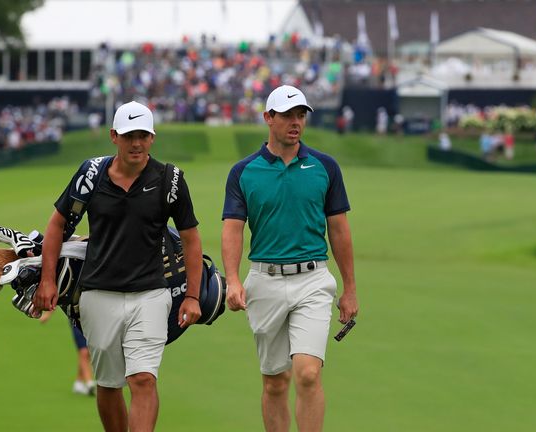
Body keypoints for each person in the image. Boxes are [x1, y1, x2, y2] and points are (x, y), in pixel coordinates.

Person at [33, 101, 203, 432]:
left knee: (142, 379)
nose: (136, 143)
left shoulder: (170, 180)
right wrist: (47, 280)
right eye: (129, 136)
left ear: (152, 138)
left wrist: (192, 296)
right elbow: (57, 226)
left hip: (151, 294)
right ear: (114, 136)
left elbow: (191, 239)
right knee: (109, 385)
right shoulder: (90, 175)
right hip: (98, 295)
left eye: (143, 135)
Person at [222, 85, 359, 432]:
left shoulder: (324, 167)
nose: (295, 122)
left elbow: (339, 230)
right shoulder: (244, 172)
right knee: (275, 382)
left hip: (312, 279)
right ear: (268, 118)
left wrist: (350, 289)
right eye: (287, 115)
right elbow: (233, 229)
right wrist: (234, 279)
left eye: (300, 115)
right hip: (264, 281)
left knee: (308, 374)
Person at [40, 311, 95, 396]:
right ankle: (89, 383)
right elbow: (61, 297)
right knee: (84, 351)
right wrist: (48, 314)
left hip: (92, 319)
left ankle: (79, 382)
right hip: (76, 318)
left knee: (89, 351)